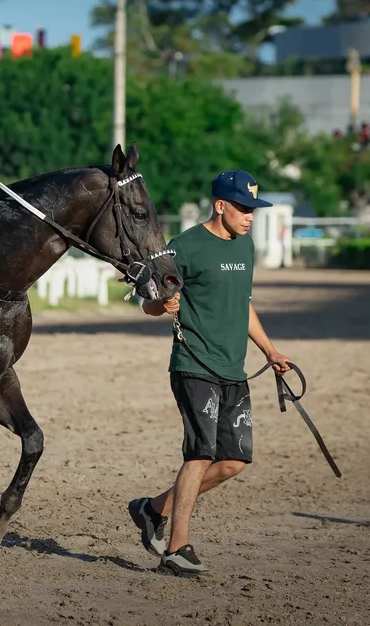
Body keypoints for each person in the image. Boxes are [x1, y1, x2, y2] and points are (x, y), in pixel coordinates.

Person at [127, 169, 293, 577]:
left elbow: (243, 305)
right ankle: (176, 548)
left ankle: (153, 509)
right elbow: (147, 300)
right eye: (242, 207)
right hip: (193, 365)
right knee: (200, 453)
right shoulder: (185, 247)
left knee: (234, 460)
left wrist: (270, 350)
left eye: (253, 208)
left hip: (232, 367)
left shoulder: (246, 246)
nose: (250, 215)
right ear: (220, 205)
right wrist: (158, 307)